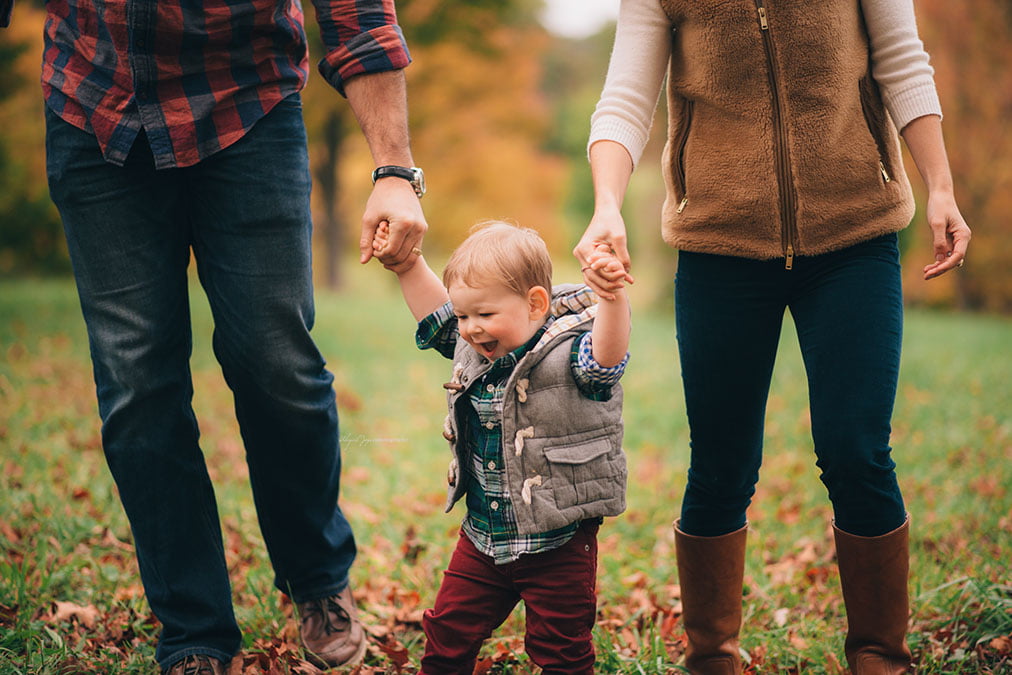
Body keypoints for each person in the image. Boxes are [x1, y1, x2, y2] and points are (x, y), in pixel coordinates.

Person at [1, 0, 428, 670]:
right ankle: (194, 626)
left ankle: (317, 578)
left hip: (246, 102)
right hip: (93, 106)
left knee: (274, 361)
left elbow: (358, 13)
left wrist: (395, 169)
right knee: (136, 383)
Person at [576, 1, 971, 673]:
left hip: (854, 236)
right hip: (719, 246)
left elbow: (902, 61)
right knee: (721, 465)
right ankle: (711, 656)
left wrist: (939, 184)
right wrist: (607, 203)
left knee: (857, 450)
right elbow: (626, 97)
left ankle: (879, 655)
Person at [371, 221, 631, 673]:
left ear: (535, 303)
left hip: (558, 542)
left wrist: (611, 298)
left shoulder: (570, 352)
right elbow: (437, 318)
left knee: (561, 647)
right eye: (465, 315)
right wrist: (406, 264)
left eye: (484, 315)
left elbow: (605, 361)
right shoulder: (475, 346)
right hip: (483, 537)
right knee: (447, 631)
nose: (470, 329)